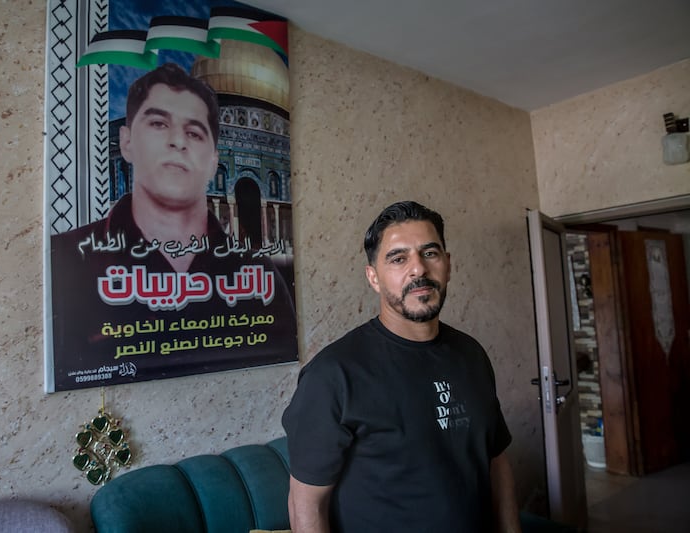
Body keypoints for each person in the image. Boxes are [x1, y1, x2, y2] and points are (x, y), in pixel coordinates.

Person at [49, 63, 297, 391]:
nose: (177, 141)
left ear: (213, 160)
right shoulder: (69, 257)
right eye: (158, 123)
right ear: (126, 142)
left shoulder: (259, 274)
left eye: (194, 132)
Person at [281, 201, 520, 532]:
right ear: (373, 277)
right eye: (398, 258)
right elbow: (306, 504)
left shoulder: (472, 355)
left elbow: (496, 460)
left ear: (447, 265)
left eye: (430, 253)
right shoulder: (333, 375)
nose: (418, 269)